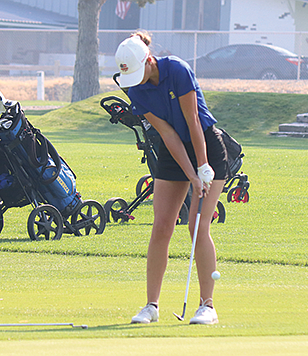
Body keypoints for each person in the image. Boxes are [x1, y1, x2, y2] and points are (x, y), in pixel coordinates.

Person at [115, 31, 228, 325]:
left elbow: (192, 122)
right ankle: (151, 306)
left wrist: (202, 168)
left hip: (206, 145)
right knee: (162, 225)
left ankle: (208, 306)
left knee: (196, 226)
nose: (136, 80)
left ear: (149, 61)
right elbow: (167, 133)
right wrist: (190, 175)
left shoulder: (177, 69)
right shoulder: (136, 88)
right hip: (173, 150)